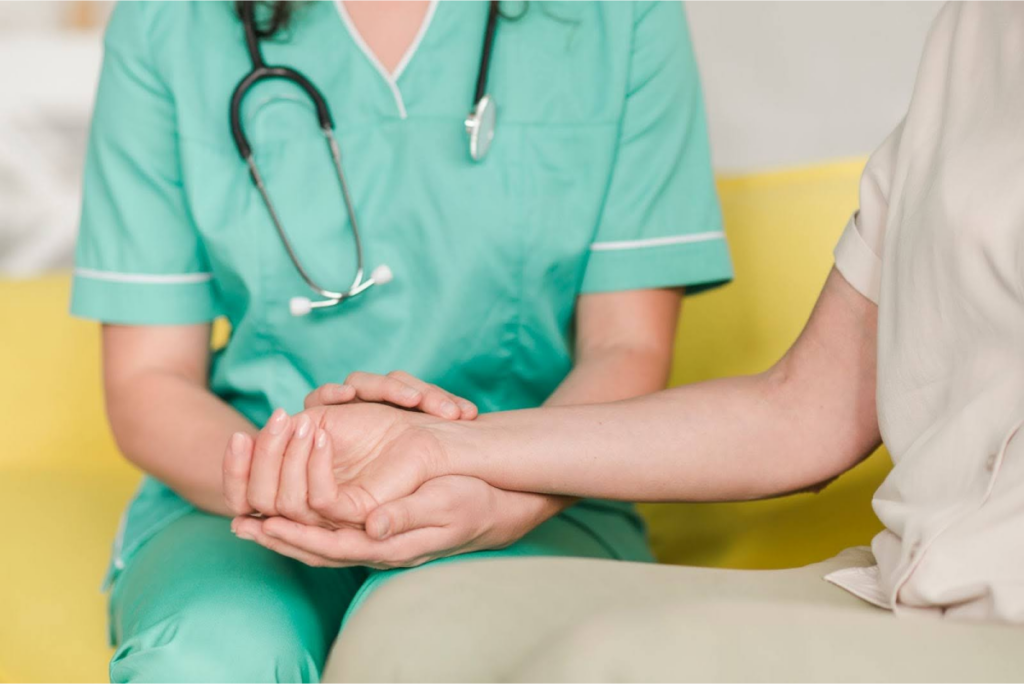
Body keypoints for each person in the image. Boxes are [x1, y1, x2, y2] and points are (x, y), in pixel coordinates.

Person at [228, 1, 1024, 681]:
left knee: (618, 666)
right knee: (411, 635)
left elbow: (628, 345)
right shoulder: (976, 32)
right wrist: (439, 448)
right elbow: (805, 411)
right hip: (909, 584)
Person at [71, 0, 731, 679]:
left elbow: (626, 348)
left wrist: (505, 490)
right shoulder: (167, 21)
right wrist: (291, 485)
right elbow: (148, 380)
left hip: (540, 488)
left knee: (441, 647)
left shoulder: (620, 16)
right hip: (239, 499)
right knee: (206, 658)